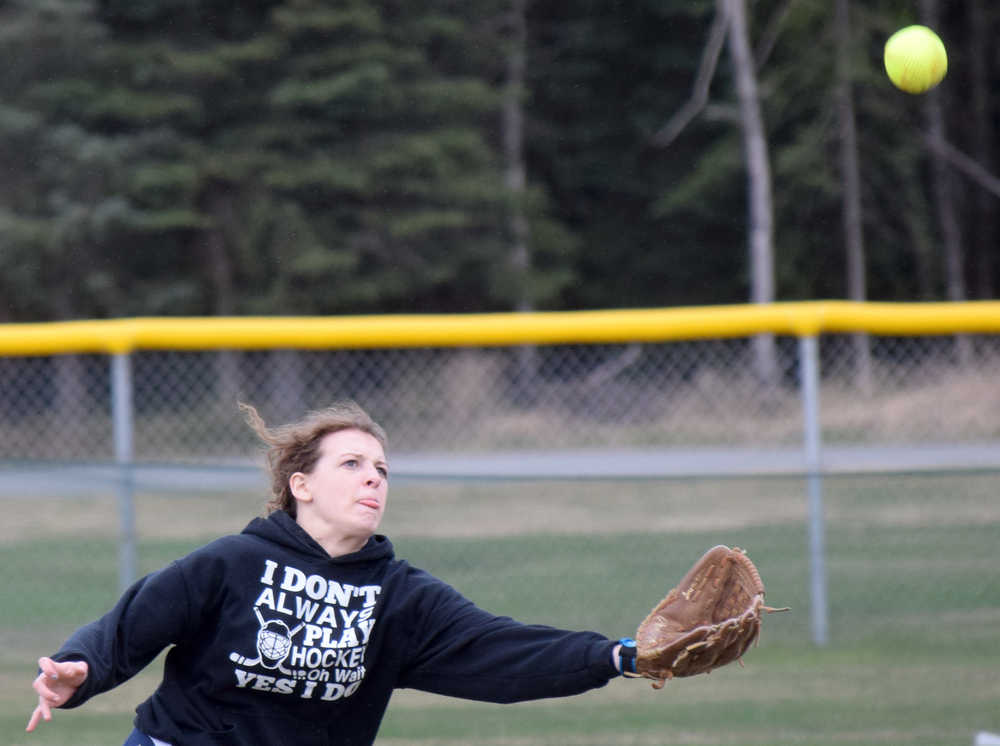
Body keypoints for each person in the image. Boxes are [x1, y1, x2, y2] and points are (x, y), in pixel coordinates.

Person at [27, 401, 634, 746]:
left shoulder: (402, 598)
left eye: (382, 469)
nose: (374, 477)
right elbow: (129, 627)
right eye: (351, 463)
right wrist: (79, 669)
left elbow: (503, 652)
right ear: (302, 486)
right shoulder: (233, 564)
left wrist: (617, 656)